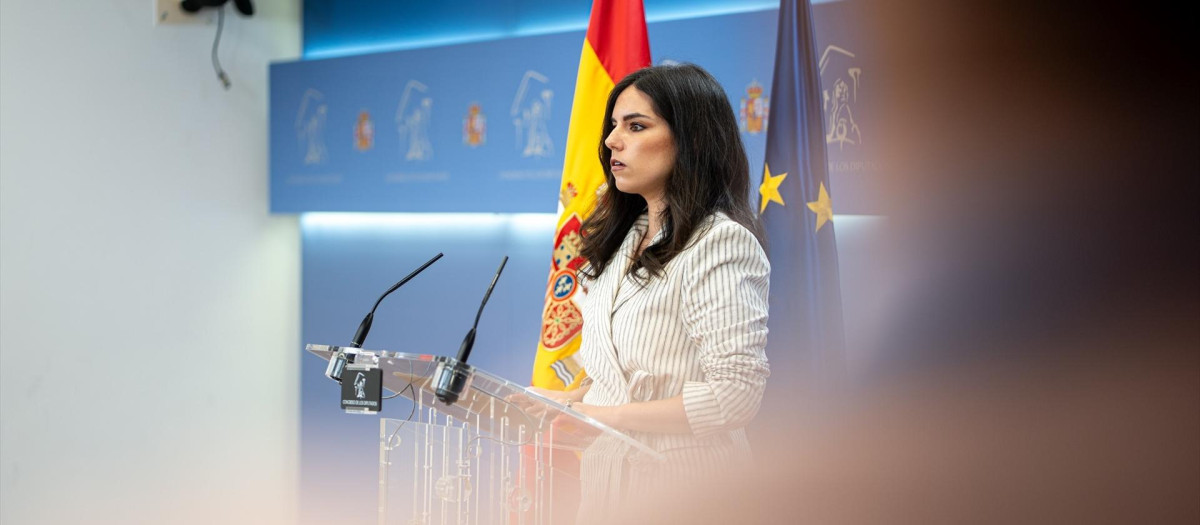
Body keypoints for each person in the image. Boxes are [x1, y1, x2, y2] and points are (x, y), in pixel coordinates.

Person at [530, 63, 771, 521]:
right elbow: (630, 373)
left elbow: (735, 395)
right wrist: (572, 401)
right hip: (606, 488)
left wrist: (612, 418)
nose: (611, 141)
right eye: (614, 126)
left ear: (691, 140)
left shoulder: (721, 242)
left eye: (636, 126)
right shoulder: (621, 238)